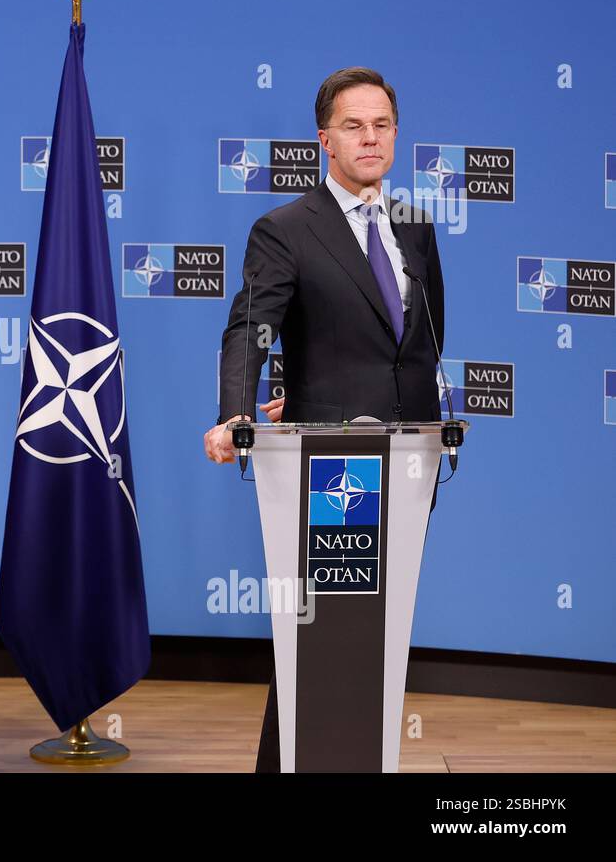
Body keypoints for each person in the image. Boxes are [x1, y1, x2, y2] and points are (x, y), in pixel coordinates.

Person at [204, 67, 445, 772]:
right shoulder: (285, 229)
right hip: (335, 464)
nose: (369, 139)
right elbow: (250, 329)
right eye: (353, 126)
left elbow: (423, 343)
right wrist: (236, 412)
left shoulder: (417, 227)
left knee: (376, 628)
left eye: (381, 125)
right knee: (323, 634)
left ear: (395, 136)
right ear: (324, 140)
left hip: (410, 460)